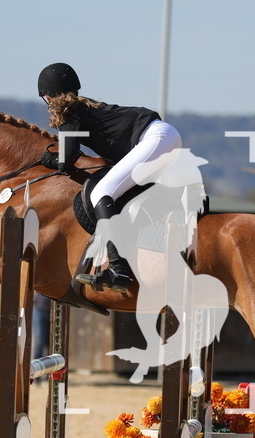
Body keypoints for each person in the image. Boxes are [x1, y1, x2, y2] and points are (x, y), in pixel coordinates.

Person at [36, 62, 182, 293]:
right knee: (120, 193)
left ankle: (118, 268)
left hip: (154, 138)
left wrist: (48, 159)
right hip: (163, 136)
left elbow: (67, 159)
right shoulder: (82, 107)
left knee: (102, 192)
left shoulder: (70, 113)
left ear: (49, 97)